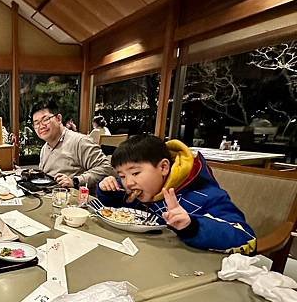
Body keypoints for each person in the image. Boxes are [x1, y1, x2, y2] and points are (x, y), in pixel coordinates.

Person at [97, 134, 256, 254]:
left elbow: (247, 238)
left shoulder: (203, 194)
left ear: (164, 168)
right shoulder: (144, 189)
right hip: (149, 256)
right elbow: (123, 210)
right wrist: (108, 192)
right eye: (122, 176)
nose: (128, 182)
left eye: (136, 173)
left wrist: (191, 226)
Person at [31, 99, 115, 189]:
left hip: (72, 199)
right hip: (49, 196)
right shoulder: (45, 148)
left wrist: (76, 181)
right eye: (36, 123)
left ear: (58, 119)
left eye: (46, 119)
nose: (41, 126)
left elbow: (106, 168)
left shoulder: (80, 141)